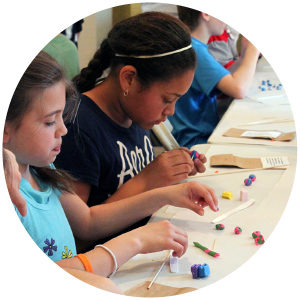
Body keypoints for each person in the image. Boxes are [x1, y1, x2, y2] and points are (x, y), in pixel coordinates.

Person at [3, 51, 218, 293]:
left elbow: (88, 221)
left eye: (61, 118)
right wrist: (135, 241)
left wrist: (167, 194)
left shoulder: (41, 168)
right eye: (50, 122)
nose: (63, 130)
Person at [55, 12, 208, 241]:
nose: (171, 112)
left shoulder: (134, 112)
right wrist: (148, 180)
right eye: (167, 99)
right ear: (129, 79)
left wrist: (172, 171)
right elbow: (77, 232)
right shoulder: (76, 129)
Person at [168, 6, 260, 148]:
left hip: (207, 135)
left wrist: (245, 54)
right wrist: (254, 49)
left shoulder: (196, 46)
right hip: (199, 143)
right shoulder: (194, 50)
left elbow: (226, 77)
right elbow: (238, 89)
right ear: (205, 13)